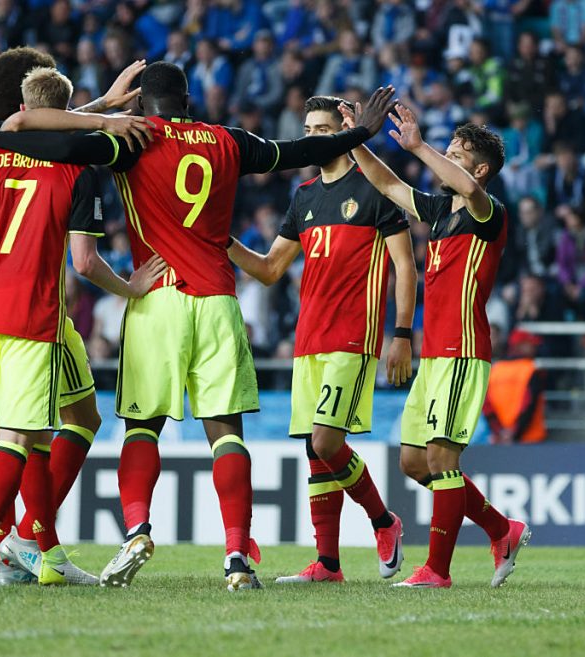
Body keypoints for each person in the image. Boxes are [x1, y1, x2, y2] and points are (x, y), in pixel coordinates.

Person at [0, 62, 397, 590]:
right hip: (219, 300)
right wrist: (361, 132)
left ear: (141, 104)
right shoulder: (228, 140)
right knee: (226, 433)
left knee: (142, 426)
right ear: (187, 99)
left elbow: (48, 144)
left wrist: (47, 126)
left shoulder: (130, 140)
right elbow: (297, 152)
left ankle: (136, 529)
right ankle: (236, 559)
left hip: (158, 300)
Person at [0, 48, 155, 586]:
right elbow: (82, 261)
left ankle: (43, 550)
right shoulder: (76, 167)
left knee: (36, 426)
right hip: (36, 317)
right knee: (20, 436)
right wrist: (130, 288)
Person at [226, 96, 416, 584]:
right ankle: (328, 564)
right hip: (308, 338)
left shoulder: (374, 189)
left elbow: (404, 265)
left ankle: (383, 521)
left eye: (321, 129)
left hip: (353, 337)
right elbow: (269, 269)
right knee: (315, 453)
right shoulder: (304, 195)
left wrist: (401, 334)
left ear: (342, 132)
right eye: (308, 129)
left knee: (326, 440)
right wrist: (220, 240)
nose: (311, 137)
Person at [343, 102, 529, 589]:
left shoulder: (488, 212)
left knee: (443, 460)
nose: (444, 160)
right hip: (434, 356)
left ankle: (436, 571)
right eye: (444, 151)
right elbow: (387, 185)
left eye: (455, 154)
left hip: (464, 352)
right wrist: (353, 140)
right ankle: (500, 529)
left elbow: (468, 188)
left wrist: (419, 145)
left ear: (480, 169)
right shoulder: (441, 211)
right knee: (412, 461)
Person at [483, 329, 546, 445]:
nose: (535, 348)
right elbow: (528, 405)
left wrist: (500, 431)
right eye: (531, 345)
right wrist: (514, 433)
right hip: (529, 441)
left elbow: (486, 406)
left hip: (501, 440)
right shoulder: (531, 370)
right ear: (520, 346)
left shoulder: (495, 369)